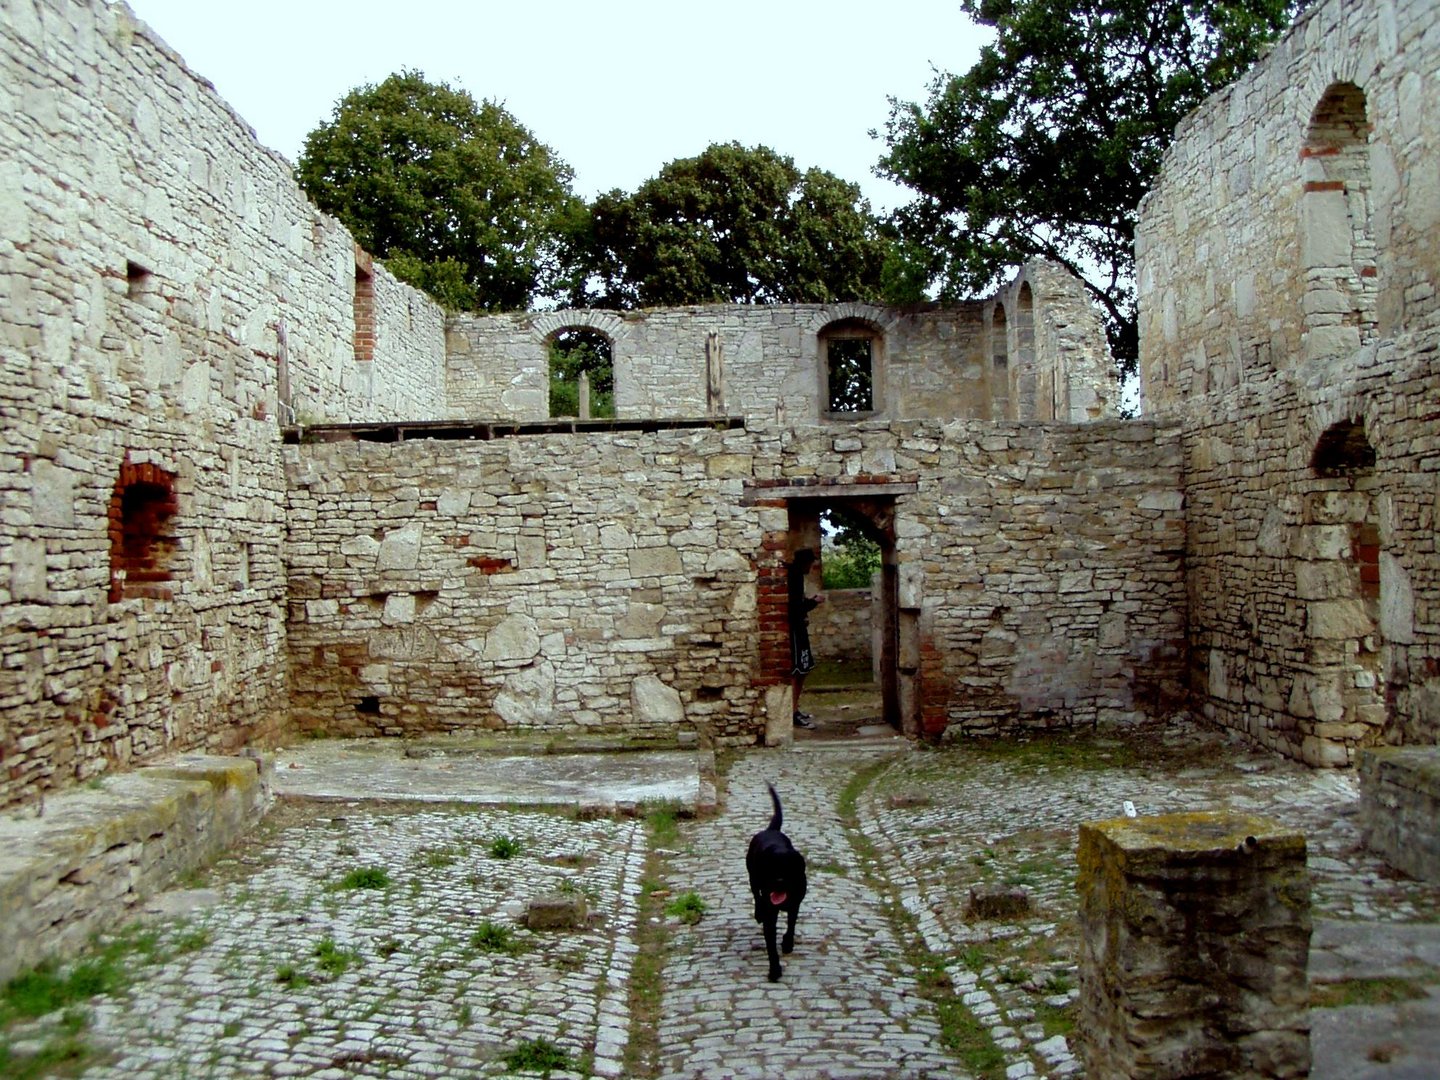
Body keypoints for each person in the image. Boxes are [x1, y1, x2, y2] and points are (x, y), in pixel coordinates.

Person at [788, 548, 824, 729]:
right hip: (794, 631)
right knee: (797, 670)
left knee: (803, 669)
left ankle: (794, 709)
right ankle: (792, 712)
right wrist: (813, 602)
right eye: (810, 563)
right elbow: (794, 607)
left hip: (798, 628)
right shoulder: (792, 577)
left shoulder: (796, 576)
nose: (811, 567)